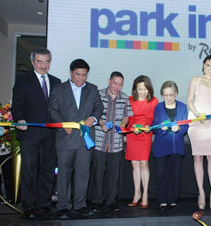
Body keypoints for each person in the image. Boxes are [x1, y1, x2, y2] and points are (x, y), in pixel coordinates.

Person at [48, 59, 103, 218]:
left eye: (84, 75)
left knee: (83, 172)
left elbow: (98, 107)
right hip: (65, 138)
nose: (81, 78)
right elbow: (52, 110)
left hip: (85, 139)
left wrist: (92, 119)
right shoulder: (59, 89)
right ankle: (64, 205)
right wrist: (62, 124)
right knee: (64, 173)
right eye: (78, 74)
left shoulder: (92, 89)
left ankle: (80, 204)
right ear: (71, 73)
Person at [11, 47, 61, 219]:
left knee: (48, 170)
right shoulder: (23, 80)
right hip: (30, 133)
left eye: (46, 61)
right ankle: (29, 206)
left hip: (50, 134)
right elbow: (16, 105)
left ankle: (44, 203)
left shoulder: (56, 81)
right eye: (39, 61)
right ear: (32, 62)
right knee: (29, 170)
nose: (43, 65)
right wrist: (20, 119)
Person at [187, 54, 211, 211]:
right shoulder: (196, 79)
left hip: (210, 120)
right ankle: (201, 193)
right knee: (197, 157)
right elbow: (190, 100)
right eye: (208, 65)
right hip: (196, 120)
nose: (210, 68)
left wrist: (210, 113)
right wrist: (198, 115)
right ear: (203, 65)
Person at [91, 71, 133, 212]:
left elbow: (127, 116)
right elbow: (94, 114)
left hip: (116, 142)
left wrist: (123, 124)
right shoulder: (98, 94)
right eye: (115, 83)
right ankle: (97, 200)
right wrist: (102, 123)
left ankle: (111, 201)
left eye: (120, 84)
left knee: (114, 174)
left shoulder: (125, 97)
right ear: (109, 81)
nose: (117, 87)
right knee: (98, 173)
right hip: (99, 141)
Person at [152, 81, 188, 210]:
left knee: (175, 173)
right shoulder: (158, 107)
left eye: (171, 94)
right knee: (160, 173)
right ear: (162, 95)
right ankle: (162, 199)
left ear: (176, 94)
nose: (168, 97)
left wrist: (179, 129)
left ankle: (173, 199)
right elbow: (154, 127)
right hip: (161, 145)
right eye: (165, 95)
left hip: (176, 145)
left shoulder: (183, 107)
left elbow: (186, 126)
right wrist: (161, 129)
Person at [125, 75, 158, 209]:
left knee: (144, 164)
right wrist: (133, 128)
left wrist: (145, 127)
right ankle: (136, 193)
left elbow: (150, 117)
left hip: (145, 133)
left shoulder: (153, 101)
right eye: (140, 89)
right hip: (133, 134)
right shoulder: (129, 100)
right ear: (135, 89)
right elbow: (129, 117)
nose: (143, 92)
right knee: (134, 165)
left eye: (145, 89)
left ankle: (145, 195)